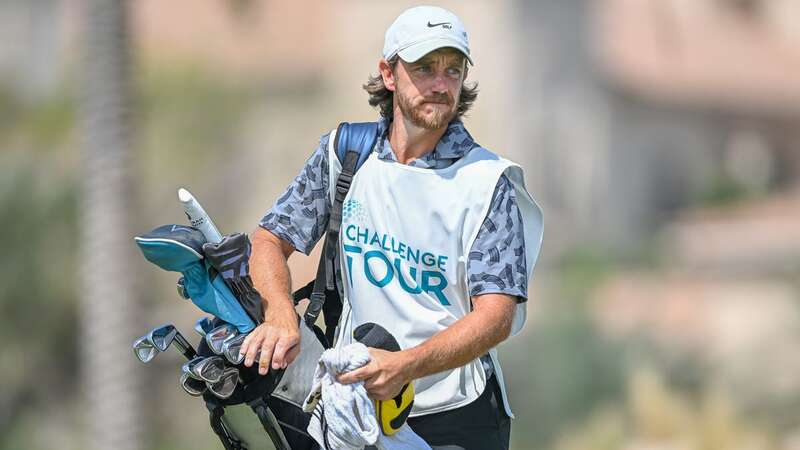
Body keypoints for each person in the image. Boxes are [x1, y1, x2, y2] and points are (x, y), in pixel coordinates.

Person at [241, 5, 543, 449]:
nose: (441, 85)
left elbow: (495, 316)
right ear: (388, 73)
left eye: (453, 71)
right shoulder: (346, 153)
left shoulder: (489, 183)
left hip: (454, 417)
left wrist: (405, 366)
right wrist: (280, 312)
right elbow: (269, 240)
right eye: (424, 68)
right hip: (354, 407)